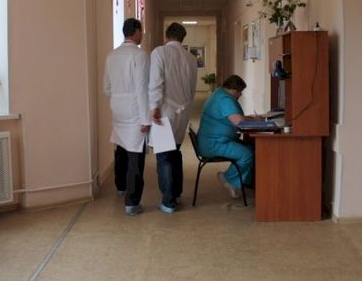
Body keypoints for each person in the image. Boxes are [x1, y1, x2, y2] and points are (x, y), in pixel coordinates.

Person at [103, 18, 151, 216]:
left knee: (121, 148)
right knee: (135, 155)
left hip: (117, 108)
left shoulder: (112, 55)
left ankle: (121, 186)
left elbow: (106, 88)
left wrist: (119, 98)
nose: (142, 35)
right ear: (136, 31)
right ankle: (132, 202)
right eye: (142, 31)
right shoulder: (140, 55)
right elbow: (142, 88)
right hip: (134, 111)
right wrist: (146, 119)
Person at [149, 22, 197, 214]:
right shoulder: (191, 58)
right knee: (175, 152)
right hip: (182, 112)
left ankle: (168, 201)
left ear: (166, 36)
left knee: (164, 156)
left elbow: (156, 82)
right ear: (182, 38)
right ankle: (176, 193)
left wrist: (154, 106)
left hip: (165, 111)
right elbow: (192, 88)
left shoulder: (159, 53)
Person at [197, 74, 253, 199]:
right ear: (233, 90)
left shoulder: (219, 94)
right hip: (215, 143)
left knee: (251, 148)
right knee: (246, 155)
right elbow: (239, 122)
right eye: (239, 92)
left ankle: (244, 182)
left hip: (214, 140)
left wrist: (248, 118)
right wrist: (255, 120)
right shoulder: (225, 100)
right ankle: (228, 179)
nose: (240, 95)